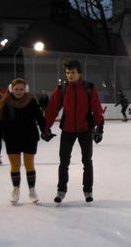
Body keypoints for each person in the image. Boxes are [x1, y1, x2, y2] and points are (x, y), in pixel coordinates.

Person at [44, 60, 104, 205]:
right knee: (64, 162)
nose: (70, 75)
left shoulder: (89, 88)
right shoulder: (62, 89)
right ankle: (61, 190)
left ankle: (88, 190)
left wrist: (99, 129)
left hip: (85, 129)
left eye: (73, 72)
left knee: (87, 161)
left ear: (79, 73)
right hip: (67, 130)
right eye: (68, 73)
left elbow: (97, 109)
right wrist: (46, 128)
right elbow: (52, 109)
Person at [0, 78, 47, 205]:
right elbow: (1, 123)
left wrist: (45, 131)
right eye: (16, 89)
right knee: (15, 166)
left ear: (25, 89)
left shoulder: (31, 101)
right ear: (11, 89)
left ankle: (32, 190)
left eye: (21, 89)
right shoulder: (6, 102)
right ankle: (16, 190)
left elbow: (39, 118)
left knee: (29, 164)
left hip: (29, 137)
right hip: (11, 138)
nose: (19, 91)